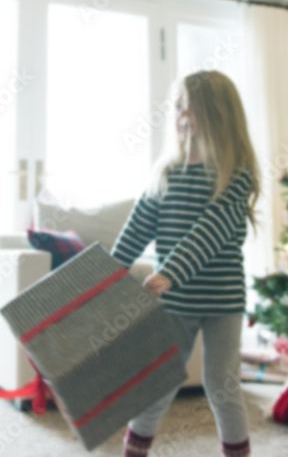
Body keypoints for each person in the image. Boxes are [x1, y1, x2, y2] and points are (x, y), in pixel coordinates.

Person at [110, 70, 260, 457]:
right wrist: (109, 271)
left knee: (221, 385)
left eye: (190, 108)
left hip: (221, 300)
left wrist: (170, 272)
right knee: (157, 382)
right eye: (177, 106)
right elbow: (138, 225)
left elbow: (210, 230)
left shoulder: (235, 174)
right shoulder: (167, 171)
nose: (181, 115)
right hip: (174, 301)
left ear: (218, 114)